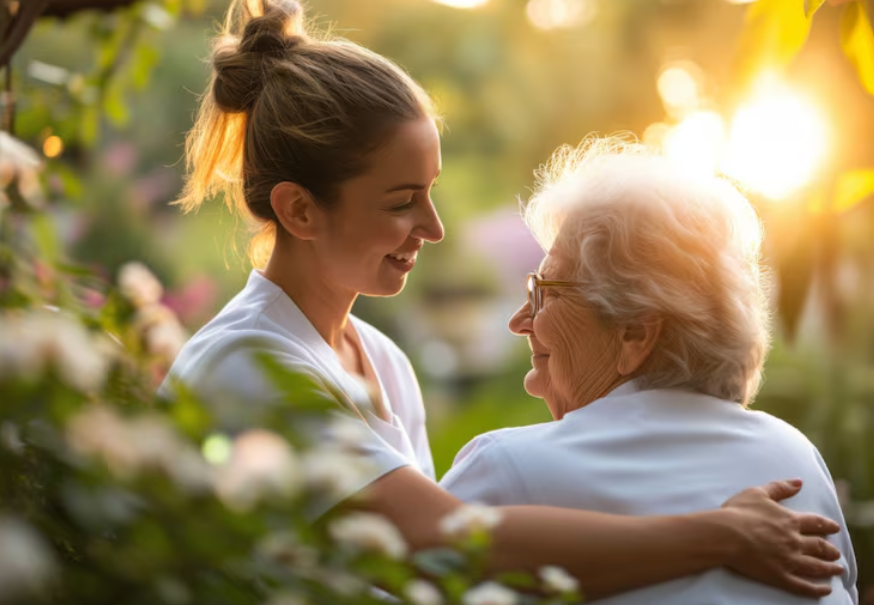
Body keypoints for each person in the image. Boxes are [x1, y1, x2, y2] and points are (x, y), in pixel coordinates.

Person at [159, 0, 846, 598]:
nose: (433, 227)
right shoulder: (246, 361)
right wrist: (716, 534)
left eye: (430, 191)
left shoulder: (386, 363)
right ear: (300, 210)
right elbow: (442, 540)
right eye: (401, 202)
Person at [439, 137, 859, 603]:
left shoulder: (509, 470)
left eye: (547, 292)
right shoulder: (794, 455)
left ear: (635, 334)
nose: (519, 321)